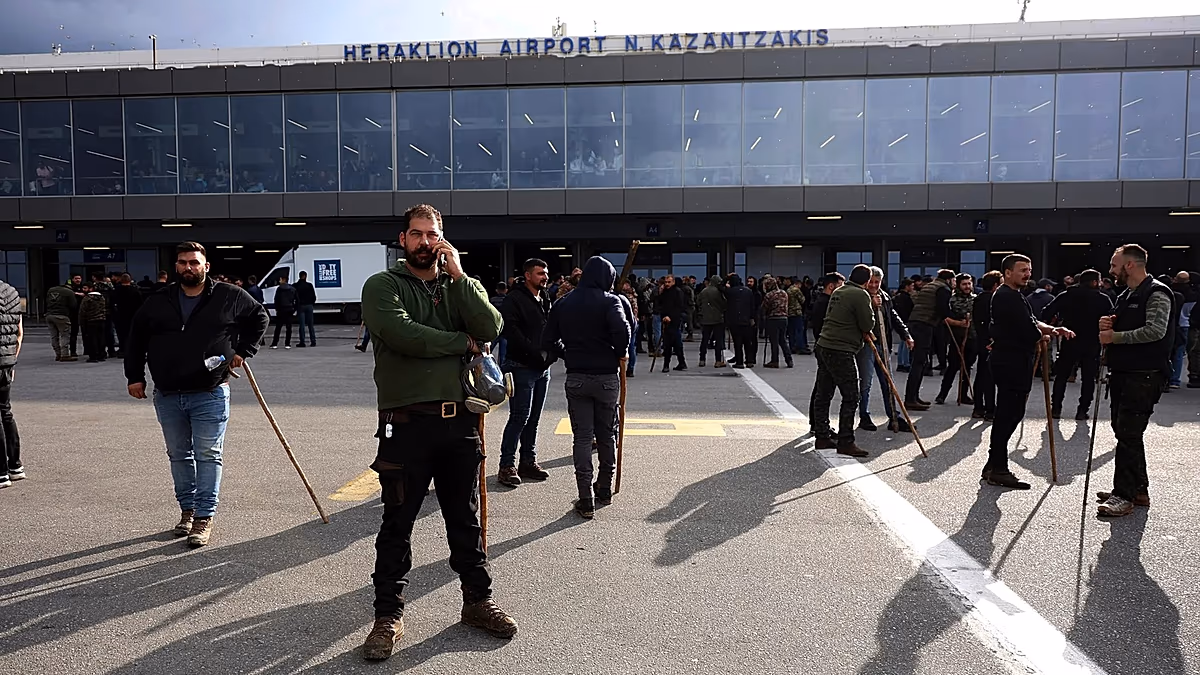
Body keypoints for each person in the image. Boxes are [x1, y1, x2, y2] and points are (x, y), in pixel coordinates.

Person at [359, 204, 515, 661]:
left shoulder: (461, 285)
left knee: (465, 520)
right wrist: (459, 342)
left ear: (443, 238)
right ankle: (388, 615)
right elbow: (402, 334)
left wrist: (462, 276)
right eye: (416, 234)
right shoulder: (383, 285)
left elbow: (491, 327)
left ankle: (477, 602)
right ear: (402, 239)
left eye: (432, 235)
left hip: (460, 423)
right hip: (405, 425)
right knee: (397, 523)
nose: (424, 242)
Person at [124, 241, 270, 547]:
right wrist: (134, 376)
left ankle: (204, 517)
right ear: (176, 267)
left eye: (194, 262)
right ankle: (187, 512)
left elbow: (259, 317)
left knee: (208, 455)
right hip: (168, 394)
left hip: (210, 393)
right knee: (179, 455)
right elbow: (136, 338)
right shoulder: (159, 299)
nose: (188, 267)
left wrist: (244, 350)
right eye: (182, 263)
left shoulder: (228, 295)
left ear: (206, 266)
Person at [542, 256, 631, 519]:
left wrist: (567, 353)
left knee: (582, 437)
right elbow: (623, 330)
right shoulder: (610, 300)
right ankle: (604, 488)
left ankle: (585, 497)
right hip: (606, 376)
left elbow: (547, 339)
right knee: (606, 434)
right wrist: (618, 351)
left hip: (577, 375)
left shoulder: (563, 302)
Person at [1095, 244, 1175, 517]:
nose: (1111, 270)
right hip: (1125, 372)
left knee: (1128, 434)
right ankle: (1137, 488)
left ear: (1130, 265)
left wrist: (1114, 337)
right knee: (1125, 432)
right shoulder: (1128, 294)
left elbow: (1155, 331)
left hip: (1144, 374)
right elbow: (1128, 325)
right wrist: (1110, 324)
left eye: (1114, 264)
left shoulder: (1156, 293)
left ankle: (1124, 495)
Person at [983, 254, 1074, 490]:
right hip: (1010, 361)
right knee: (1008, 415)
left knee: (1010, 414)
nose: (1027, 273)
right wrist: (1039, 335)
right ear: (1008, 273)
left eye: (1029, 269)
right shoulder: (1005, 296)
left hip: (1015, 360)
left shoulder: (1015, 295)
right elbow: (1028, 328)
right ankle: (998, 468)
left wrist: (1053, 329)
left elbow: (1032, 320)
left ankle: (993, 465)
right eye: (1022, 270)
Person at [496, 260, 552, 489]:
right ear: (528, 275)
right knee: (519, 417)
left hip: (542, 368)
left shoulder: (545, 297)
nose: (545, 277)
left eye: (546, 273)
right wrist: (534, 351)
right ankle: (506, 465)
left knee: (534, 419)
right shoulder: (514, 299)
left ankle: (528, 461)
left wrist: (553, 351)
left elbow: (550, 327)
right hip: (520, 366)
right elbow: (511, 330)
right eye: (540, 273)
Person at [810, 265, 874, 458]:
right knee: (851, 395)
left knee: (824, 393)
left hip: (824, 344)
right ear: (867, 281)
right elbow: (867, 323)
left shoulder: (840, 290)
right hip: (841, 349)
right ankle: (846, 440)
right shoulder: (860, 294)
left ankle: (822, 436)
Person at [1041, 269, 1113, 420]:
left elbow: (1046, 312)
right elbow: (1112, 320)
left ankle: (1056, 408)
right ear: (1094, 282)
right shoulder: (1103, 299)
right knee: (1088, 378)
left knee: (1061, 376)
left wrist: (1055, 322)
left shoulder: (1066, 295)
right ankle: (1082, 410)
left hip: (1070, 338)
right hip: (1092, 341)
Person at [859, 267, 912, 433]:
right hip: (867, 344)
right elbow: (860, 318)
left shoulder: (885, 296)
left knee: (888, 382)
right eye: (871, 282)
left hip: (883, 343)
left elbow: (893, 316)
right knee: (866, 382)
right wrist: (873, 307)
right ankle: (864, 416)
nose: (874, 285)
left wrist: (906, 335)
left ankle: (894, 416)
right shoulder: (861, 296)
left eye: (877, 282)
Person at [904, 269, 954, 411]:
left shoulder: (930, 286)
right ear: (949, 279)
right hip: (924, 324)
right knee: (919, 362)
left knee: (919, 361)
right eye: (954, 280)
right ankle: (911, 399)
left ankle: (914, 396)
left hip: (916, 322)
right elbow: (943, 309)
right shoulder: (943, 288)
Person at [936, 274, 976, 406]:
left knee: (967, 367)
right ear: (958, 285)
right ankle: (942, 394)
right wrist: (959, 323)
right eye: (964, 284)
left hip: (971, 337)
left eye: (969, 284)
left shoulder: (975, 300)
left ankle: (963, 395)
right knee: (953, 366)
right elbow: (945, 317)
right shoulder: (952, 300)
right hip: (956, 337)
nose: (967, 287)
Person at [0, 278, 23, 490]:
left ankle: (1, 473)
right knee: (5, 411)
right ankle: (15, 466)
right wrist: (12, 361)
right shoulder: (11, 292)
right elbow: (19, 332)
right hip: (6, 361)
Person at [971, 271, 1002, 421]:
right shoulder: (993, 299)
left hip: (981, 339)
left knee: (981, 374)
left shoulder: (978, 299)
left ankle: (978, 407)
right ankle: (990, 409)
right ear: (995, 285)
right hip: (989, 341)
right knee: (989, 376)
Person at [655, 274, 687, 372]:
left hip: (675, 320)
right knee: (670, 343)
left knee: (673, 343)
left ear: (673, 282)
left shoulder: (678, 292)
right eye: (666, 282)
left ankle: (673, 364)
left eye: (669, 282)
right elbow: (659, 304)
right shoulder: (664, 292)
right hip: (665, 320)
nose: (667, 284)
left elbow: (679, 307)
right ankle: (675, 363)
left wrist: (671, 316)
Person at [725, 274, 756, 369]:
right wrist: (752, 318)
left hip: (734, 320)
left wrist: (726, 278)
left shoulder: (730, 292)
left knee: (737, 342)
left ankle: (739, 362)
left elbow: (721, 287)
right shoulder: (748, 291)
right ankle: (749, 360)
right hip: (746, 319)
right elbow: (752, 306)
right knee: (747, 342)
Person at [696, 274, 727, 368]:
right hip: (717, 319)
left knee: (704, 340)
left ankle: (702, 359)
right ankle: (718, 360)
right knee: (718, 340)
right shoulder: (719, 292)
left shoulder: (704, 291)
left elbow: (698, 302)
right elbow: (724, 304)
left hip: (705, 318)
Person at [761, 277, 792, 368]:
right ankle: (789, 359)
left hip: (773, 318)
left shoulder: (769, 295)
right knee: (782, 340)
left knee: (774, 341)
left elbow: (764, 308)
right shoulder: (784, 293)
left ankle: (775, 360)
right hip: (784, 318)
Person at [45, 280, 79, 362]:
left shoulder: (51, 290)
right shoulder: (69, 292)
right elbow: (74, 306)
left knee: (54, 336)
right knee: (64, 335)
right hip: (62, 315)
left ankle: (58, 354)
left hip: (49, 315)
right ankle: (65, 355)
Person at [112, 273, 144, 357]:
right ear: (130, 280)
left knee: (121, 334)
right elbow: (140, 304)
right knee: (132, 334)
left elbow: (112, 303)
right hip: (132, 316)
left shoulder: (116, 290)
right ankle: (131, 350)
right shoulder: (135, 291)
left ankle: (122, 349)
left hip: (120, 315)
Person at [79, 285, 108, 363]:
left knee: (92, 339)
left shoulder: (87, 299)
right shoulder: (102, 298)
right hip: (101, 320)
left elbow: (83, 311)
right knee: (101, 338)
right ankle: (101, 355)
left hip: (91, 320)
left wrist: (82, 322)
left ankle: (93, 356)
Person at [892, 279, 915, 372]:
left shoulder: (897, 297)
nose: (913, 288)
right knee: (906, 343)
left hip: (900, 320)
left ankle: (901, 363)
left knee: (902, 343)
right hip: (906, 321)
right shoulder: (906, 298)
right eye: (911, 286)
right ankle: (905, 363)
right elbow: (909, 310)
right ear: (907, 286)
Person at [270, 273, 296, 349]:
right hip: (289, 309)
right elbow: (296, 299)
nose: (279, 281)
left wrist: (277, 309)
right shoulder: (292, 289)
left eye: (280, 279)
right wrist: (294, 309)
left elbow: (276, 300)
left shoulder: (279, 289)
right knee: (289, 328)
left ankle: (275, 343)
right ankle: (287, 343)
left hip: (281, 310)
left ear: (283, 279)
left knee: (278, 327)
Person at [786, 275, 810, 355]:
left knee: (791, 331)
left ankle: (792, 346)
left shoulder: (788, 290)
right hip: (797, 312)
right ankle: (800, 347)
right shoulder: (796, 290)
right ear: (798, 283)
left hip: (789, 312)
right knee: (799, 330)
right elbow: (802, 300)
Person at [294, 270, 317, 348]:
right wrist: (311, 303)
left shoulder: (296, 286)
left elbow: (294, 296)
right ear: (305, 276)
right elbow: (314, 297)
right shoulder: (309, 285)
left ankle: (302, 342)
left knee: (302, 325)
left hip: (301, 306)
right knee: (311, 324)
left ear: (299, 276)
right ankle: (313, 341)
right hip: (309, 306)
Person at [489, 282, 509, 366]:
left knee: (488, 352)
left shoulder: (492, 300)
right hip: (505, 330)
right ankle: (502, 373)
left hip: (494, 329)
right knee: (503, 355)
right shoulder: (509, 300)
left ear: (497, 290)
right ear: (506, 290)